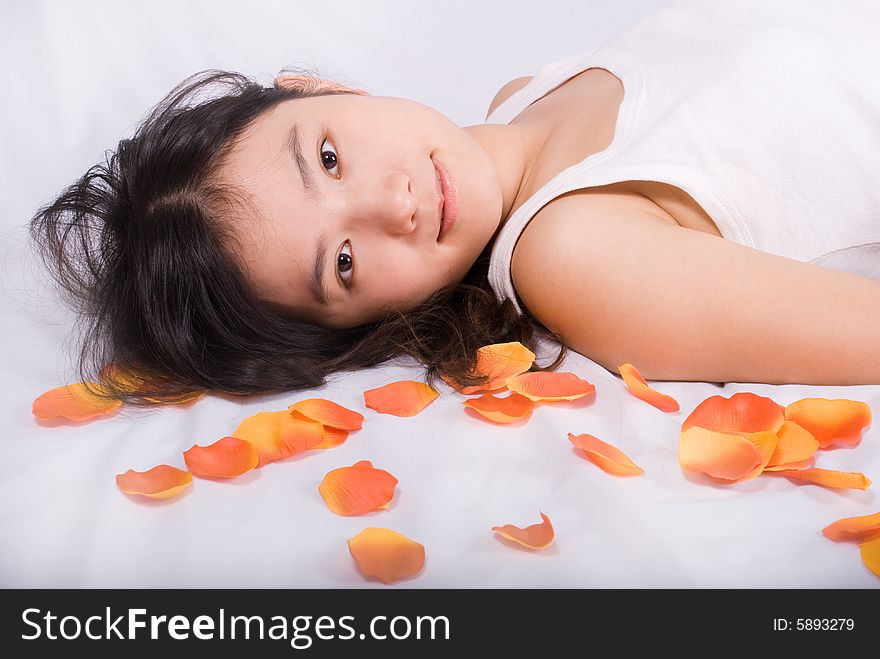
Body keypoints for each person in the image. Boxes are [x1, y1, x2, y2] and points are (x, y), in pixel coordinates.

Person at [28, 0, 880, 404]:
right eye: (346, 262)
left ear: (319, 86)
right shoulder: (573, 253)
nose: (390, 205)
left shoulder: (526, 96)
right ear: (366, 321)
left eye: (328, 156)